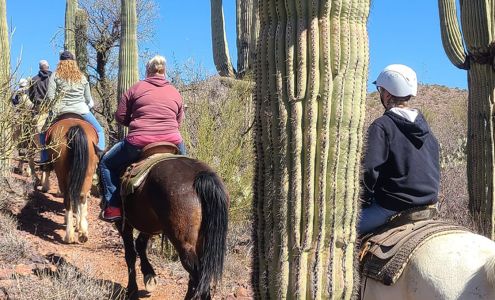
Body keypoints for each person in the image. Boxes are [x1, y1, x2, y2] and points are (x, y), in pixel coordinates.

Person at [99, 55, 186, 222]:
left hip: (139, 142)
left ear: (147, 70)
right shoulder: (175, 92)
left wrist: (134, 123)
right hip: (172, 142)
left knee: (106, 163)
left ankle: (113, 207)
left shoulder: (135, 89)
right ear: (164, 71)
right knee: (189, 167)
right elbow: (178, 121)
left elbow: (120, 116)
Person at [358, 64, 440, 235]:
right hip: (428, 205)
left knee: (339, 234)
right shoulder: (428, 132)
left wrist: (362, 201)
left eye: (380, 90)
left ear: (386, 94)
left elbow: (369, 170)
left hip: (392, 208)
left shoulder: (381, 126)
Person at [40, 50, 106, 165]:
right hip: (81, 110)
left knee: (43, 132)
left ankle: (45, 158)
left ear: (60, 62)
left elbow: (50, 97)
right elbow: (88, 98)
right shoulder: (81, 76)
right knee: (100, 130)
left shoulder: (55, 75)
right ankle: (99, 154)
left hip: (59, 110)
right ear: (73, 62)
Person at [29, 60, 52, 156]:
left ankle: (25, 148)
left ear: (39, 67)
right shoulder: (53, 78)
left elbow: (30, 96)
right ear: (48, 66)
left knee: (29, 129)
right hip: (51, 107)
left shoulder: (34, 79)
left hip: (39, 109)